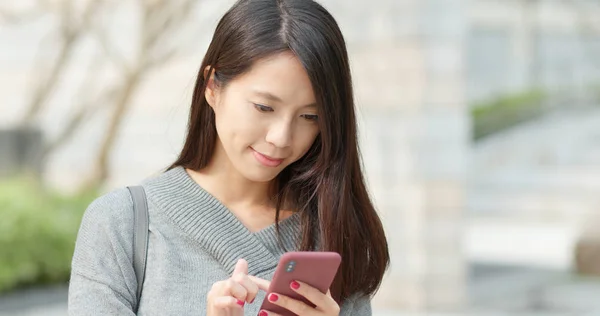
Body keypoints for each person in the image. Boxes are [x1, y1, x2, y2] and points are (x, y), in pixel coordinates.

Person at [68, 0, 390, 315]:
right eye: (264, 107)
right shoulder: (120, 225)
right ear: (212, 86)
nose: (281, 137)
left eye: (309, 117)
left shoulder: (336, 231)